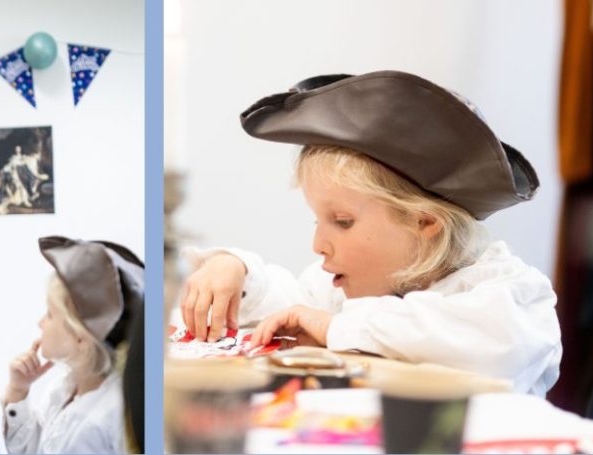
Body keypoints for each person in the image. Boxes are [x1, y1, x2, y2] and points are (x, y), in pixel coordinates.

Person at [178, 71, 562, 396]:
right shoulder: (350, 285)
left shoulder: (510, 297)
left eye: (342, 222)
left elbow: (494, 348)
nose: (318, 244)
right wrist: (237, 271)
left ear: (424, 222)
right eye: (318, 221)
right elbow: (296, 308)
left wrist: (334, 328)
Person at [3, 236, 143, 453]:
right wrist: (18, 389)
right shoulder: (63, 389)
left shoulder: (105, 419)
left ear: (80, 337)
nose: (40, 323)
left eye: (50, 314)